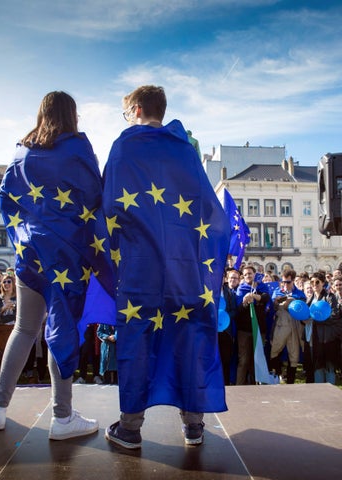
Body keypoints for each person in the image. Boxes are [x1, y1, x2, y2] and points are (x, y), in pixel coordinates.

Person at [102, 85, 230, 449]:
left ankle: (130, 428)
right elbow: (207, 207)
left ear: (138, 109)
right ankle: (194, 425)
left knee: (136, 339)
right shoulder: (186, 151)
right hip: (184, 267)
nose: (127, 118)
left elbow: (110, 206)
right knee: (189, 337)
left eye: (126, 112)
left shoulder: (124, 146)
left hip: (141, 267)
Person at [0, 91, 104, 440]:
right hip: (66, 255)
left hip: (30, 253)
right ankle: (62, 417)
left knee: (24, 328)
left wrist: (24, 236)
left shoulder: (22, 150)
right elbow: (95, 195)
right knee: (61, 326)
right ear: (73, 115)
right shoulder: (78, 148)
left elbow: (6, 195)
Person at [235, 265, 271, 385]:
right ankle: (239, 387)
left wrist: (254, 296)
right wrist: (245, 302)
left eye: (250, 273)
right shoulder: (241, 289)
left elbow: (266, 298)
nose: (248, 276)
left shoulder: (262, 286)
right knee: (243, 360)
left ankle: (258, 387)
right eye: (245, 275)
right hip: (244, 331)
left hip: (259, 329)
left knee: (258, 360)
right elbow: (238, 309)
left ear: (254, 274)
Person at [304, 274, 342, 384]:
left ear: (322, 283)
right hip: (312, 336)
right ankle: (320, 392)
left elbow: (334, 315)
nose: (314, 285)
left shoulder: (330, 296)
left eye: (317, 282)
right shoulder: (310, 298)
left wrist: (318, 319)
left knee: (328, 366)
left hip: (326, 337)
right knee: (317, 365)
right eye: (312, 282)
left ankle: (331, 393)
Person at [269, 268, 305, 385]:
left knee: (294, 354)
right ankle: (278, 374)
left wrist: (294, 301)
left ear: (293, 281)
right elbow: (272, 308)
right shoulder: (277, 291)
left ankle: (290, 382)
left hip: (295, 325)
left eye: (288, 282)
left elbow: (303, 309)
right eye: (283, 281)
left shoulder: (299, 293)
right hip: (281, 324)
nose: (285, 284)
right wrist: (276, 302)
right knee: (275, 349)